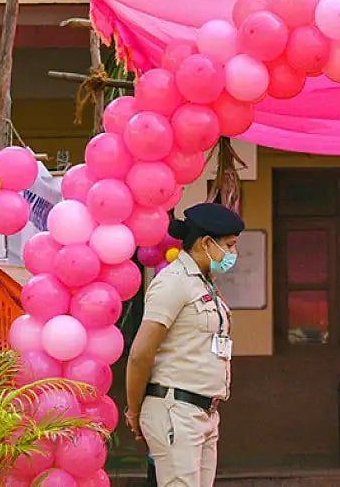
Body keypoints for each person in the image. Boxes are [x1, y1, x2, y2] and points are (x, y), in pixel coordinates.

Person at [124, 202, 244, 487]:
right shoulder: (173, 282)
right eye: (229, 245)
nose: (233, 254)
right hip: (176, 410)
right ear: (205, 243)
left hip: (204, 412)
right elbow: (141, 355)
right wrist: (134, 410)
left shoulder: (204, 283)